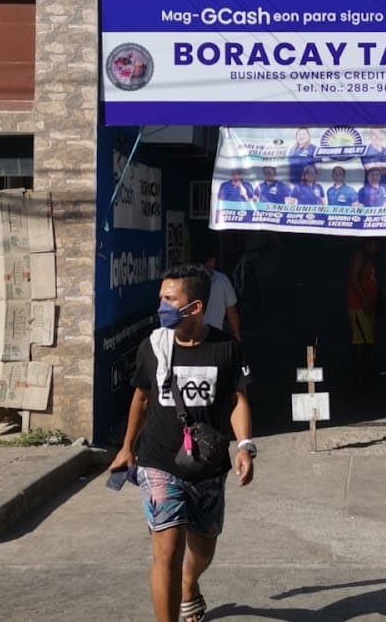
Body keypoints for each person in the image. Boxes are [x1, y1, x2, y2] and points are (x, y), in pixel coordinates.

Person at [109, 265, 255, 622]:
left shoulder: (226, 348)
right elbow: (142, 398)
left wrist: (245, 446)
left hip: (207, 464)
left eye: (170, 299)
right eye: (161, 298)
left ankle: (190, 582)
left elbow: (237, 400)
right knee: (167, 552)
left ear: (195, 307)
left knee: (203, 550)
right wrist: (127, 446)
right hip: (159, 461)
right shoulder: (153, 347)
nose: (162, 306)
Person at [346, 239, 381, 388]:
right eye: (375, 244)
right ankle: (358, 374)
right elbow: (354, 279)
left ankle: (364, 372)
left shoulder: (368, 258)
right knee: (361, 342)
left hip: (368, 307)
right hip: (359, 307)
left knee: (368, 341)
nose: (377, 248)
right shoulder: (359, 257)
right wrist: (364, 299)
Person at [201, 253, 242, 341]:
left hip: (189, 338)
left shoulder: (184, 280)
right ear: (212, 260)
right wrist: (237, 335)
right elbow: (232, 311)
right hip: (214, 337)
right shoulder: (222, 279)